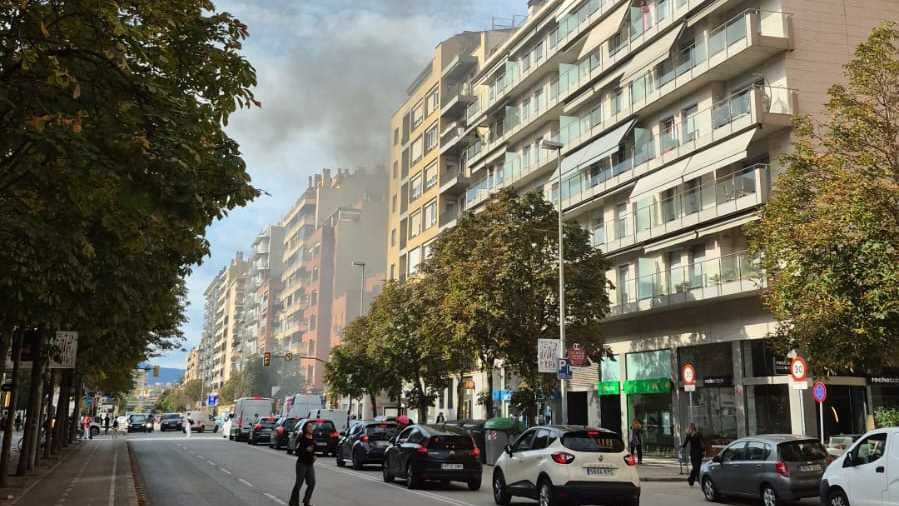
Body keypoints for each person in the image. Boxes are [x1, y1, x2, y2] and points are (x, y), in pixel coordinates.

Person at [289, 422, 316, 506]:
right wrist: (305, 450)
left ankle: (306, 501)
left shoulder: (313, 437)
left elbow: (314, 448)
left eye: (312, 427)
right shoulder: (302, 437)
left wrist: (314, 455)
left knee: (312, 483)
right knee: (298, 484)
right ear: (305, 428)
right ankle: (293, 503)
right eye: (309, 427)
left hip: (310, 464)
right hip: (301, 464)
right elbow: (296, 450)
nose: (311, 428)